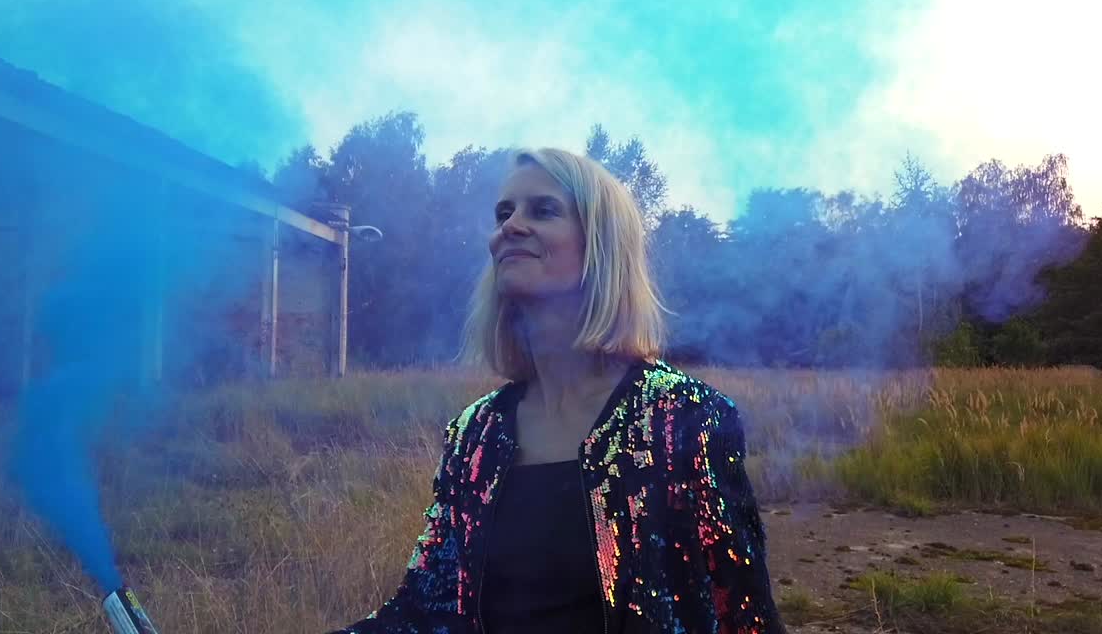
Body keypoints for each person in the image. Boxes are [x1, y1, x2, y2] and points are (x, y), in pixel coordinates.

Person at [327, 147, 786, 634]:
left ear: (601, 247)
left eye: (542, 210)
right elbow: (422, 610)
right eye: (504, 213)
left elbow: (743, 615)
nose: (510, 226)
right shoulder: (474, 435)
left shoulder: (683, 418)